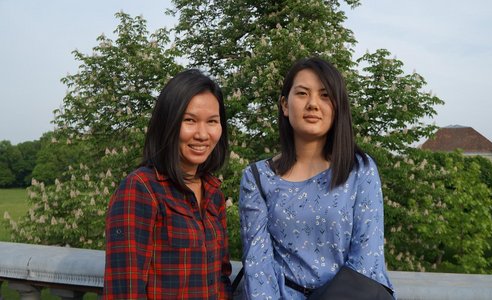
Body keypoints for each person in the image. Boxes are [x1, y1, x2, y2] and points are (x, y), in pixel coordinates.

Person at [238, 57, 394, 299]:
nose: (313, 104)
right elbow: (258, 268)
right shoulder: (258, 178)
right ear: (285, 105)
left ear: (337, 107)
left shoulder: (359, 170)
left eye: (324, 95)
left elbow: (367, 261)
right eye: (302, 93)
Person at [103, 69, 232, 299]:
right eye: (189, 121)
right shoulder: (141, 189)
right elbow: (125, 291)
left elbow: (221, 280)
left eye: (212, 121)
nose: (203, 134)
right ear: (168, 123)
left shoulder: (214, 195)